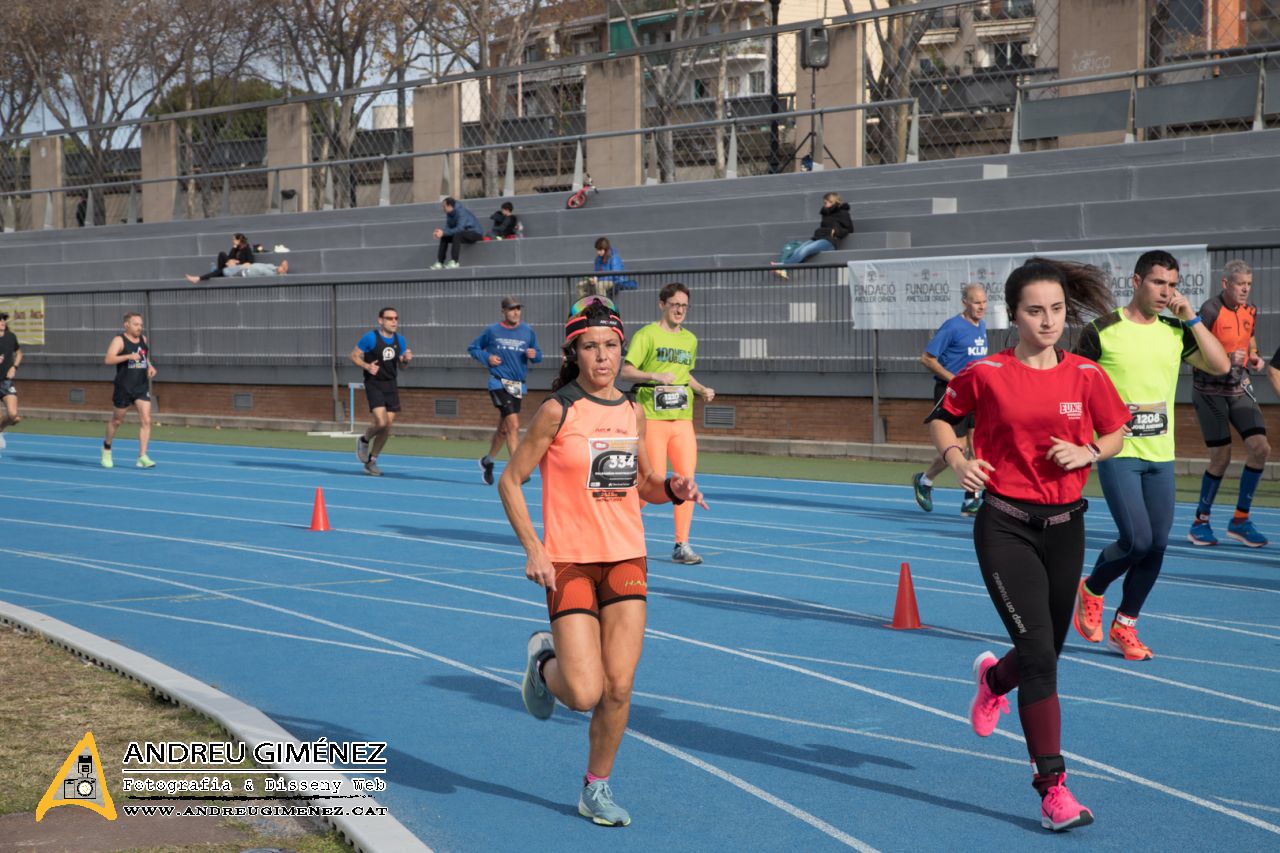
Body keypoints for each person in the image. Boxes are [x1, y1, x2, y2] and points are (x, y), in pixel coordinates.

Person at [929, 257, 1130, 832]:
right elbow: (944, 418)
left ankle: (992, 681)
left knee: (1046, 652)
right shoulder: (987, 372)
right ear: (1013, 315)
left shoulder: (1087, 376)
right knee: (1041, 655)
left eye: (1058, 310)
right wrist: (958, 458)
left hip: (1067, 525)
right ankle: (1053, 790)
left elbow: (1115, 431)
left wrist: (1091, 452)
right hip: (1004, 523)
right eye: (1035, 310)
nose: (1048, 321)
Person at [499, 296, 705, 828]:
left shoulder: (633, 410)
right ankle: (544, 666)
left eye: (611, 346)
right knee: (584, 692)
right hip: (568, 562)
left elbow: (642, 484)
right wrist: (534, 548)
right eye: (590, 347)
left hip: (625, 559)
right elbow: (511, 480)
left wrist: (675, 487)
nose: (603, 357)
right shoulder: (556, 410)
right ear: (575, 352)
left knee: (618, 687)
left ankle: (596, 787)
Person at [1073, 250, 1230, 660]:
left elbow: (1219, 364)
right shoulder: (1101, 331)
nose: (1167, 291)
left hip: (1161, 456)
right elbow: (1070, 387)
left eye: (1173, 284)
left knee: (1157, 545)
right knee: (1137, 540)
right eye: (1159, 282)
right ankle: (1092, 588)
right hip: (1118, 451)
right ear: (1136, 281)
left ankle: (1125, 625)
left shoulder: (1175, 332)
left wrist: (1192, 317)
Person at [619, 282, 714, 565]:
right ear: (662, 305)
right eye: (675, 305)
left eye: (684, 306)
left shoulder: (690, 340)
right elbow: (625, 371)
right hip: (652, 421)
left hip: (682, 421)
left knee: (685, 482)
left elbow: (685, 376)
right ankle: (621, 534)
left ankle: (681, 544)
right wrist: (654, 376)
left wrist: (701, 389)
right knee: (651, 484)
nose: (680, 311)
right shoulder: (647, 335)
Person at [1187, 259, 1269, 547]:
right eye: (1240, 284)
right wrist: (1221, 359)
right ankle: (1200, 521)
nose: (1245, 289)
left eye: (1249, 284)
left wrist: (1254, 356)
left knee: (1260, 448)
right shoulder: (1209, 311)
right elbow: (1193, 352)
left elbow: (1249, 337)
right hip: (1209, 391)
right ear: (1226, 284)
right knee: (1221, 458)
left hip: (1239, 388)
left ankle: (1240, 520)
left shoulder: (1250, 310)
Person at [912, 284, 989, 516]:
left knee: (977, 443)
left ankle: (971, 498)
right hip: (951, 392)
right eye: (976, 302)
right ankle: (925, 480)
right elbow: (926, 358)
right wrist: (955, 380)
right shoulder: (953, 327)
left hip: (974, 392)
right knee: (957, 447)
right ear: (965, 302)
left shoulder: (982, 325)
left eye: (984, 302)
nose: (981, 307)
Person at [469, 296, 542, 485]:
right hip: (498, 383)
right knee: (514, 425)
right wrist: (487, 357)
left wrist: (534, 355)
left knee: (504, 429)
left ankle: (488, 461)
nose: (516, 312)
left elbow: (538, 355)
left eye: (518, 308)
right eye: (511, 309)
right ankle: (518, 470)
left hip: (517, 385)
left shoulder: (528, 331)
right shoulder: (493, 331)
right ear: (503, 311)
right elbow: (473, 347)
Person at [351, 307, 413, 476]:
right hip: (374, 383)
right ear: (380, 320)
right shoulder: (370, 338)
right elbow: (354, 355)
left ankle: (371, 462)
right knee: (381, 422)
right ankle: (364, 440)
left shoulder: (400, 340)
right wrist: (366, 366)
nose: (394, 321)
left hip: (391, 385)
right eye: (389, 318)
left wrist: (406, 360)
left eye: (396, 318)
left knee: (387, 427)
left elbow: (403, 367)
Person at [102, 312, 158, 469]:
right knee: (117, 421)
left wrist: (150, 365)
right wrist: (127, 356)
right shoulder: (119, 340)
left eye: (141, 324)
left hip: (141, 387)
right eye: (136, 324)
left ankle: (142, 456)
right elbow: (108, 359)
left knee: (146, 420)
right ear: (126, 325)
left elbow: (144, 357)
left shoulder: (143, 339)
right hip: (124, 387)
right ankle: (107, 448)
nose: (139, 327)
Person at [770, 192, 854, 280]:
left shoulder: (843, 213)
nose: (825, 205)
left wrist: (834, 232)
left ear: (833, 202)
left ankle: (782, 266)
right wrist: (824, 231)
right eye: (824, 203)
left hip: (830, 241)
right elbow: (824, 227)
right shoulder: (825, 214)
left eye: (826, 202)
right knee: (799, 249)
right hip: (819, 237)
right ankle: (783, 268)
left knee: (806, 250)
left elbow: (849, 229)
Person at [185, 233, 286, 283]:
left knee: (220, 270)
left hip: (238, 269)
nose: (232, 241)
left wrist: (237, 263)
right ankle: (203, 276)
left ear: (239, 240)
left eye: (234, 240)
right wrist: (232, 256)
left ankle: (198, 278)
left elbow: (250, 261)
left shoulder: (247, 249)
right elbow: (229, 257)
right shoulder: (236, 248)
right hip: (230, 267)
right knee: (221, 254)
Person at [431, 197, 482, 270]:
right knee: (444, 237)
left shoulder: (461, 212)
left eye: (444, 206)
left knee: (457, 234)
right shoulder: (449, 214)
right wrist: (440, 232)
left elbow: (460, 228)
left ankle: (454, 261)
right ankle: (440, 262)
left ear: (449, 206)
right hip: (463, 233)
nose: (443, 208)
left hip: (475, 233)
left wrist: (444, 232)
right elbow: (448, 228)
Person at [0, 311, 22, 453]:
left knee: (13, 415)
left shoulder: (11, 337)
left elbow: (19, 352)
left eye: (3, 320)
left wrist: (14, 366)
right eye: (0, 320)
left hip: (6, 382)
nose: (2, 322)